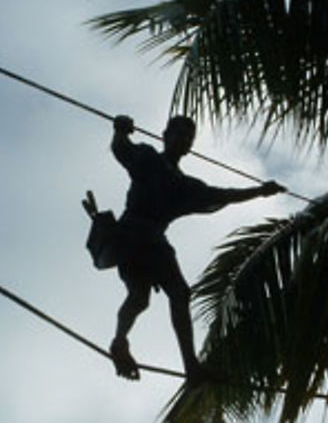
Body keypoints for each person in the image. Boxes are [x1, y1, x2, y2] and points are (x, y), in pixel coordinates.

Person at [108, 114, 285, 381]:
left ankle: (179, 361)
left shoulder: (185, 185)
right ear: (165, 136)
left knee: (161, 295)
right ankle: (130, 344)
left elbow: (222, 195)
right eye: (178, 133)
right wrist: (120, 129)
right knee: (153, 295)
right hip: (134, 233)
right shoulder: (148, 158)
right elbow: (121, 149)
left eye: (188, 137)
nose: (183, 140)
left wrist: (259, 191)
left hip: (150, 238)